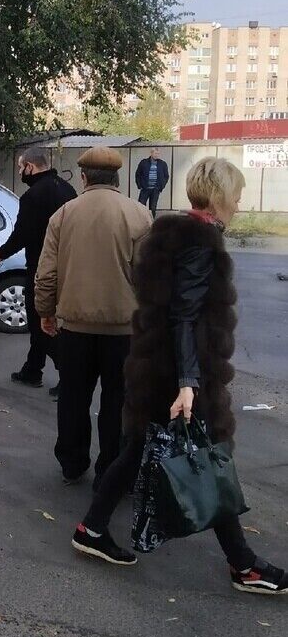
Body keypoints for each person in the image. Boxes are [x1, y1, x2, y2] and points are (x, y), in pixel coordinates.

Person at [71, 157, 288, 595]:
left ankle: (91, 528)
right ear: (220, 195)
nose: (240, 204)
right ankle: (243, 565)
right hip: (179, 375)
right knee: (208, 457)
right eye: (238, 195)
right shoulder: (199, 242)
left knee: (136, 450)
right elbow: (185, 316)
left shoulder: (167, 234)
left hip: (156, 366)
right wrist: (188, 382)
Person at [34, 147, 152, 485]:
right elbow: (149, 278)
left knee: (73, 398)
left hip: (74, 327)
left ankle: (72, 462)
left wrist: (45, 311)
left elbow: (46, 274)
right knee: (119, 403)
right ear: (118, 178)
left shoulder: (64, 215)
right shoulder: (140, 215)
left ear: (83, 177)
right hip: (124, 332)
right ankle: (111, 472)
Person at [0, 148, 76, 395]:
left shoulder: (33, 196)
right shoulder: (67, 190)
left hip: (41, 268)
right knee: (49, 321)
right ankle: (33, 369)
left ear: (31, 166)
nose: (20, 172)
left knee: (42, 322)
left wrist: (0, 254)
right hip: (66, 266)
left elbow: (23, 234)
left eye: (21, 167)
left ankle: (68, 376)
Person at [135, 148, 169, 214]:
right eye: (155, 153)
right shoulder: (144, 162)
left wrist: (162, 186)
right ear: (151, 153)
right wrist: (139, 185)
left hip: (156, 189)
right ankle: (141, 221)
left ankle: (151, 222)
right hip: (145, 189)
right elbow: (138, 174)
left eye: (158, 154)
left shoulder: (162, 164)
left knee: (153, 208)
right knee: (141, 206)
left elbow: (166, 176)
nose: (157, 155)